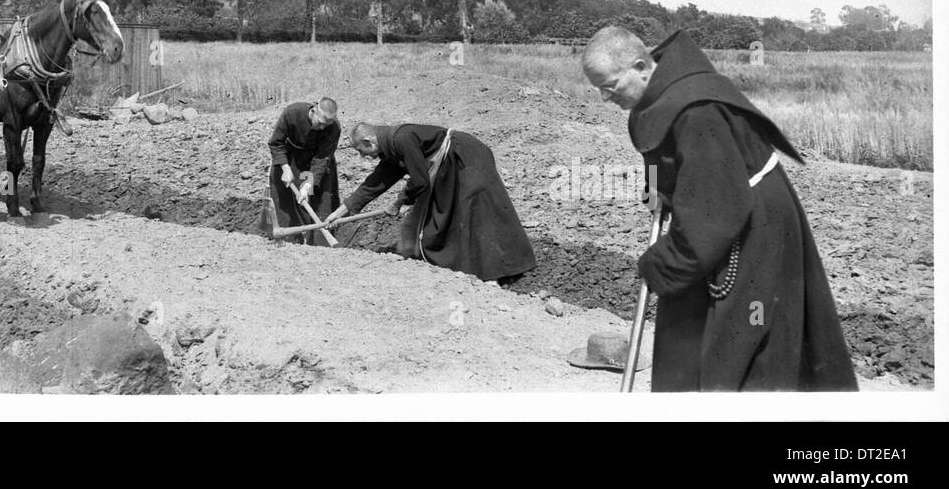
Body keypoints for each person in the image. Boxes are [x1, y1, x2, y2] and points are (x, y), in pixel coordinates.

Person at [582, 25, 857, 392]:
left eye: (610, 86)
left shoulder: (698, 111)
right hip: (714, 207)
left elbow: (716, 213)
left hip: (751, 223)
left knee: (747, 329)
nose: (603, 97)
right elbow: (656, 144)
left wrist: (660, 263)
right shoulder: (653, 95)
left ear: (640, 67)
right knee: (693, 326)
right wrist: (655, 188)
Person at [325, 122, 537, 285]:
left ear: (370, 142)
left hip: (466, 158)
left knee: (473, 210)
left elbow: (419, 182)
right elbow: (374, 183)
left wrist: (399, 202)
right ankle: (474, 267)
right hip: (449, 165)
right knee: (454, 214)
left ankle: (503, 268)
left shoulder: (402, 139)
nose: (363, 157)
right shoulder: (391, 147)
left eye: (362, 151)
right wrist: (341, 212)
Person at [266, 98, 342, 246]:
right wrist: (286, 168)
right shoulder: (292, 113)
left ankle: (319, 244)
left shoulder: (333, 127)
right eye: (319, 123)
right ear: (313, 111)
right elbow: (276, 142)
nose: (321, 128)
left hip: (316, 160)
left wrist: (308, 185)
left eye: (326, 125)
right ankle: (289, 239)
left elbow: (322, 158)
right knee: (284, 196)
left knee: (319, 198)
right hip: (290, 157)